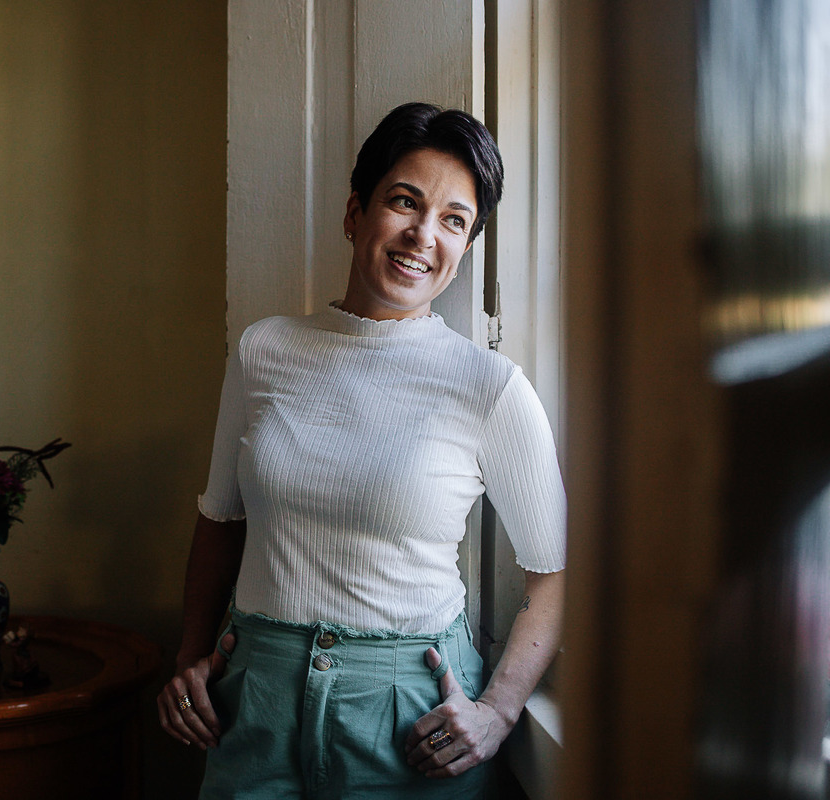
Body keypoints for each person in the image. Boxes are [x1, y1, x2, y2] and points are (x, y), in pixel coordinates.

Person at [157, 102, 566, 799]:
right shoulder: (264, 349)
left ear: (466, 249)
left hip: (413, 720)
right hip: (252, 700)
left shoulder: (491, 387)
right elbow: (221, 519)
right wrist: (191, 657)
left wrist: (498, 712)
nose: (422, 235)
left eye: (454, 221)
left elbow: (553, 576)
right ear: (355, 213)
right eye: (404, 202)